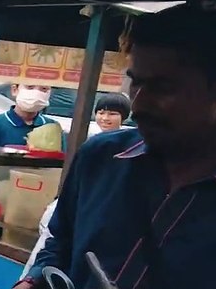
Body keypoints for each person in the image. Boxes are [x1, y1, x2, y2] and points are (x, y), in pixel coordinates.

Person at [11, 3, 216, 289]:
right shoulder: (100, 158)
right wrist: (30, 285)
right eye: (137, 82)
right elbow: (61, 244)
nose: (140, 103)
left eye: (163, 87)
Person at [20, 91, 133, 275]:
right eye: (101, 112)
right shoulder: (92, 142)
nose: (105, 118)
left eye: (112, 113)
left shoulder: (127, 148)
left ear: (125, 117)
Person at [0, 83, 58, 148]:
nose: (37, 93)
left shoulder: (52, 126)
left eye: (44, 89)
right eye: (30, 87)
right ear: (14, 90)